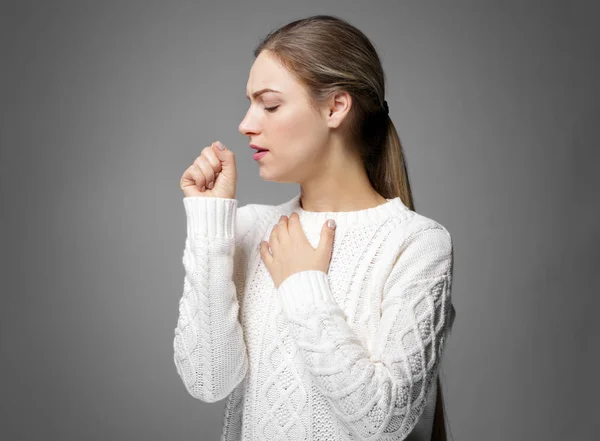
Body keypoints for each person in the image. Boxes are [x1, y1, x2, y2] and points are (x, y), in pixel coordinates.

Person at [173, 14, 456, 441]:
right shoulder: (249, 228)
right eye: (250, 104)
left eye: (269, 105)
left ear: (335, 107)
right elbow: (208, 381)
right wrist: (210, 227)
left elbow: (384, 423)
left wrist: (304, 285)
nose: (246, 124)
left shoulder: (416, 244)